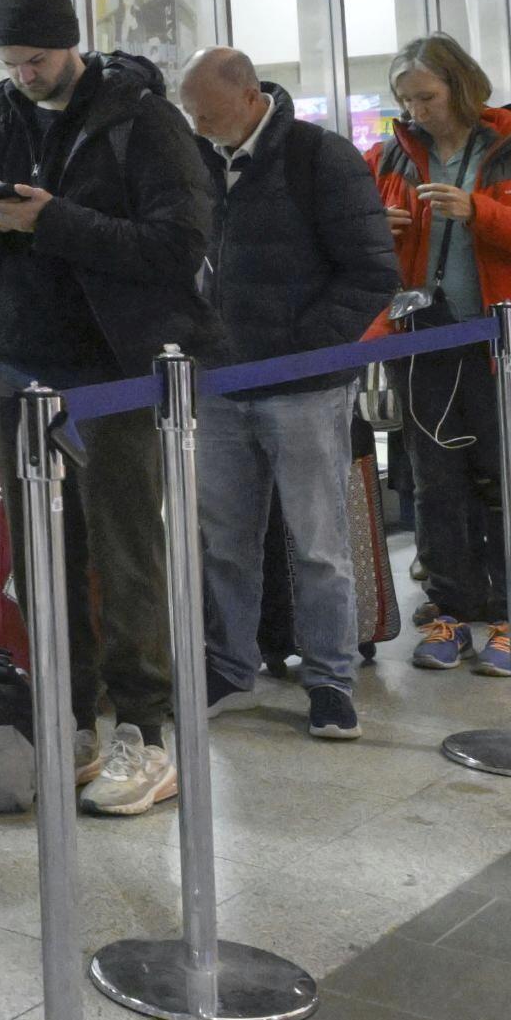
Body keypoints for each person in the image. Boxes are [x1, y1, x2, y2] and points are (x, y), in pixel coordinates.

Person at [0, 0, 221, 814]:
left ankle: (148, 732)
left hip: (119, 374)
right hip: (23, 371)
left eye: (38, 59)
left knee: (129, 557)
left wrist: (54, 220)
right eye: (10, 61)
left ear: (72, 43)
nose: (25, 75)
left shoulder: (142, 118)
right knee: (42, 565)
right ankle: (70, 725)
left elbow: (178, 245)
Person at [177, 48, 395, 740]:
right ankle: (228, 663)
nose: (198, 122)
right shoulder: (198, 159)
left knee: (318, 545)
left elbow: (371, 271)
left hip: (305, 388)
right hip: (219, 385)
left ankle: (331, 679)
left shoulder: (319, 157)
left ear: (248, 95)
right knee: (225, 541)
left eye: (207, 109)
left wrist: (306, 346)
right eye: (191, 110)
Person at [375, 34, 511, 676]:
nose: (417, 111)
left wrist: (481, 213)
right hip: (424, 343)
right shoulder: (390, 154)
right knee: (434, 483)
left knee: (509, 479)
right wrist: (374, 231)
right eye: (406, 99)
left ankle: (510, 614)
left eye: (428, 96)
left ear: (462, 88)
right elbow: (355, 245)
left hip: (507, 346)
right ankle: (450, 610)